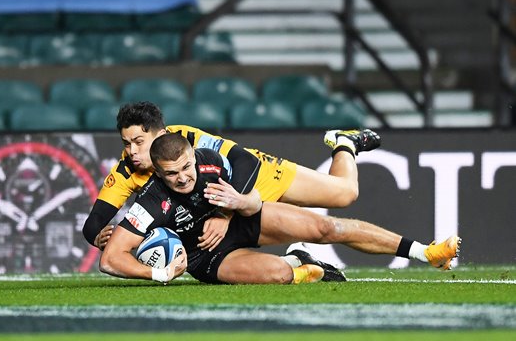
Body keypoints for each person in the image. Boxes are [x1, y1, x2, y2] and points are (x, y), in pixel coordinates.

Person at [98, 133, 461, 285]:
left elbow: (252, 191)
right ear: (158, 173)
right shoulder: (150, 201)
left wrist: (233, 208)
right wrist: (159, 275)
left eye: (186, 168)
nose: (182, 179)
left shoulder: (210, 161)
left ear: (193, 156)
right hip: (204, 256)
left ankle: (426, 251)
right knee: (280, 277)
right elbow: (110, 259)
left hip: (240, 220)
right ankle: (300, 263)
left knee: (328, 228)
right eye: (171, 174)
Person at [83, 101, 380, 252]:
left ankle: (344, 143)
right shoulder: (125, 170)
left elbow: (243, 160)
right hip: (228, 207)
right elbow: (94, 222)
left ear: (161, 134)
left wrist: (225, 213)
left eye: (139, 142)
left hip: (255, 177)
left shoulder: (186, 139)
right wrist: (98, 236)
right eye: (126, 143)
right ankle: (299, 260)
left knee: (345, 194)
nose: (132, 151)